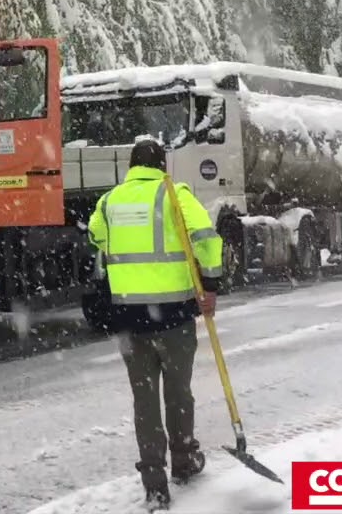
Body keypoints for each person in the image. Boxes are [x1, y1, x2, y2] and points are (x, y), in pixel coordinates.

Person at [86, 138, 224, 511]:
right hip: (174, 315)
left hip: (129, 318)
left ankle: (154, 484)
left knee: (144, 400)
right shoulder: (173, 193)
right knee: (178, 392)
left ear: (131, 166)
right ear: (162, 165)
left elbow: (96, 234)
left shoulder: (110, 200)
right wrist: (210, 284)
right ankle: (183, 459)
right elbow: (207, 238)